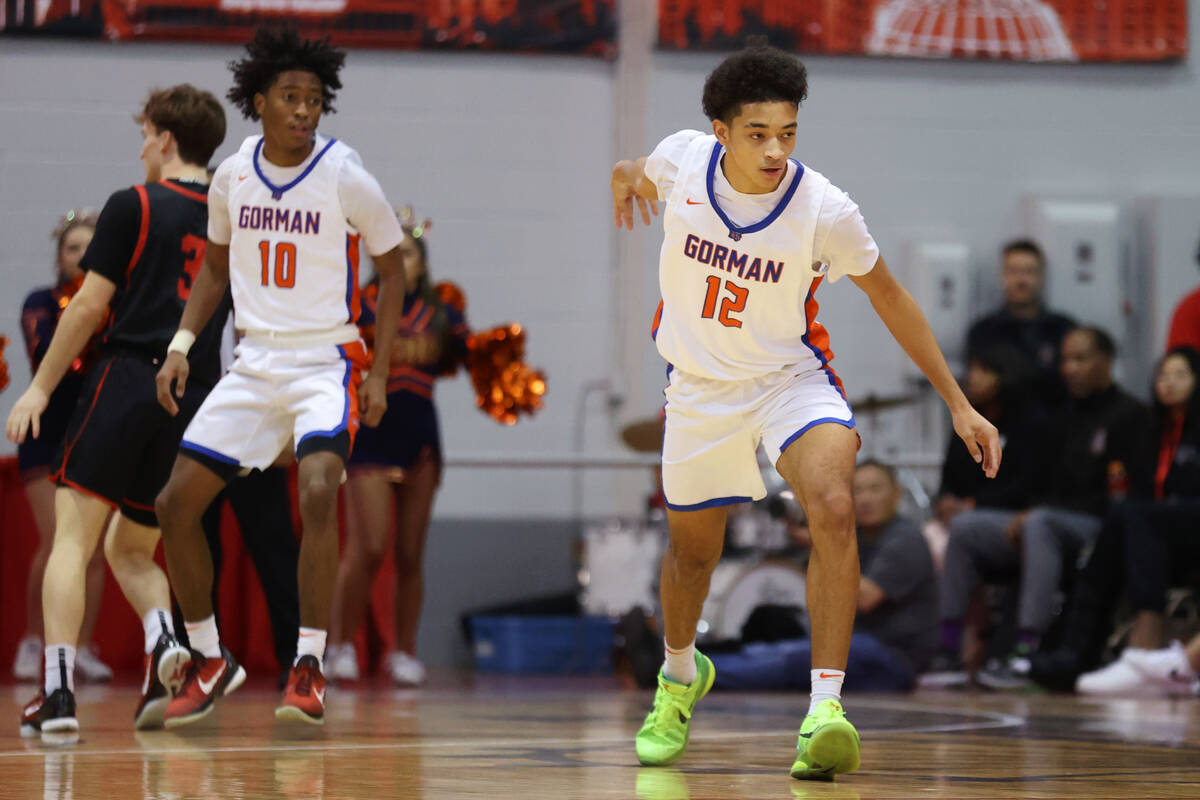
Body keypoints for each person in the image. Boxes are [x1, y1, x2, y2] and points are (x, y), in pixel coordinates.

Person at [610, 41, 999, 780]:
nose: (775, 149)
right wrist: (624, 176)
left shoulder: (823, 208)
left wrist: (959, 403)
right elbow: (639, 169)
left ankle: (825, 710)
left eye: (787, 133)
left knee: (833, 502)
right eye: (758, 134)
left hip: (791, 378)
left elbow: (892, 298)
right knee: (692, 555)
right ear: (721, 131)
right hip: (699, 387)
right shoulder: (682, 160)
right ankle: (679, 679)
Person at [153, 26, 406, 727]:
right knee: (175, 506)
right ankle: (209, 657)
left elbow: (393, 268)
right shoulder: (233, 176)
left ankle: (310, 661)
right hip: (254, 361)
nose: (303, 110)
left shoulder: (344, 174)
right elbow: (212, 269)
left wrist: (379, 370)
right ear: (259, 101)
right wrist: (180, 344)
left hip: (326, 360)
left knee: (320, 487)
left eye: (314, 100)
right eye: (290, 98)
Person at [6, 84, 229, 737]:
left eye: (144, 136)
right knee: (133, 549)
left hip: (132, 377)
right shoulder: (232, 215)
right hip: (195, 398)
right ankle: (165, 645)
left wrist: (40, 388)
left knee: (70, 544)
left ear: (164, 138)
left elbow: (86, 307)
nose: (140, 150)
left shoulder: (135, 203)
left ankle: (56, 696)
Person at [933, 326, 1148, 689]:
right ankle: (949, 648)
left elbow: (1123, 495)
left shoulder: (1132, 415)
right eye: (1065, 360)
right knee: (967, 526)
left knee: (1040, 524)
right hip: (1045, 519)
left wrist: (1035, 512)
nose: (1070, 368)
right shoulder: (1059, 418)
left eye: (1081, 359)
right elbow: (1037, 483)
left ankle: (1025, 652)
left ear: (1106, 362)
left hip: (1100, 525)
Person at [326, 215, 468, 686]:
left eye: (408, 252)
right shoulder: (359, 304)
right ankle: (340, 645)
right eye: (392, 251)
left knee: (411, 553)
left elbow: (466, 358)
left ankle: (403, 651)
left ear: (423, 263)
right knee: (367, 546)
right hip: (370, 432)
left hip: (421, 435)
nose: (399, 259)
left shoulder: (443, 312)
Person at [710, 461, 938, 692]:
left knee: (790, 660)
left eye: (875, 489)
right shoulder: (853, 535)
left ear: (896, 494)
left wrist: (821, 543)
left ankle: (694, 678)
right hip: (854, 646)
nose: (866, 498)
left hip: (891, 657)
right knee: (770, 651)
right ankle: (686, 668)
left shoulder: (905, 539)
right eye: (857, 490)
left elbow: (864, 599)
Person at [12, 210, 112, 684]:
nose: (81, 257)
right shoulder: (41, 302)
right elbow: (49, 355)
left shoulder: (112, 303)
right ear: (58, 256)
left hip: (91, 433)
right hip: (44, 435)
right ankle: (35, 640)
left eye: (89, 249)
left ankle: (82, 647)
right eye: (73, 248)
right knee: (58, 541)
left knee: (91, 551)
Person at [1073, 346, 1200, 696]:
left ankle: (1146, 649)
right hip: (1163, 527)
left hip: (1188, 518)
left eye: (1179, 374)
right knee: (1122, 518)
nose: (1168, 382)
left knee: (1139, 516)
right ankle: (1079, 653)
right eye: (1163, 374)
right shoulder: (1149, 427)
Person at [966, 239, 1075, 407]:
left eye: (1029, 271)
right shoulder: (983, 332)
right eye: (1013, 271)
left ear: (1042, 277)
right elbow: (976, 390)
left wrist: (1004, 379)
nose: (1021, 280)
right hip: (1002, 429)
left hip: (1057, 429)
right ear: (1003, 275)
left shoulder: (1064, 329)